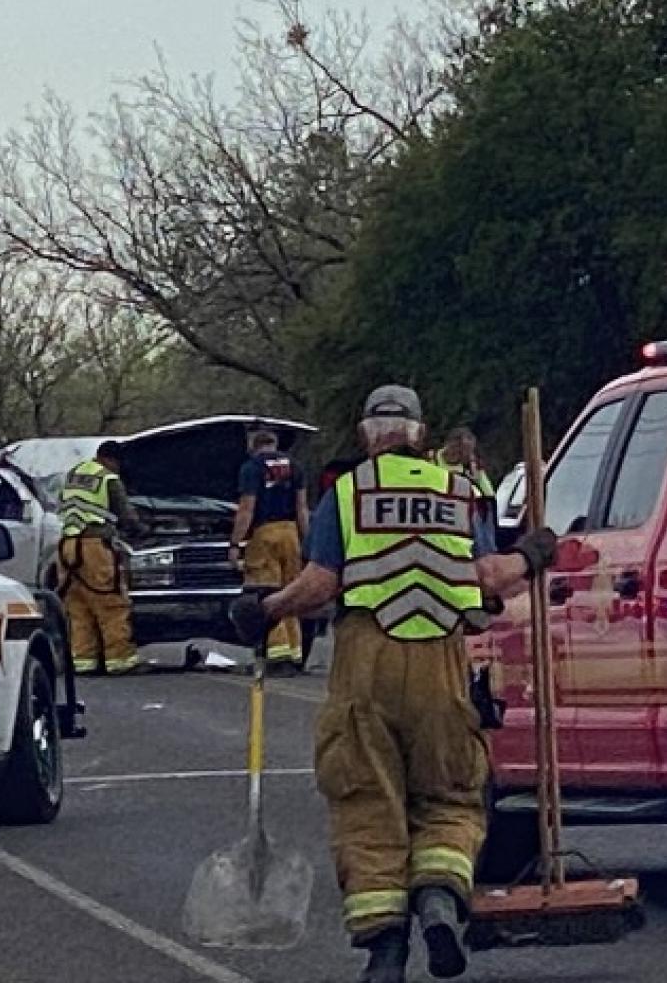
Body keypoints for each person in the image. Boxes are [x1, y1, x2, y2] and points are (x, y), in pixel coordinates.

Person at [230, 385, 557, 983]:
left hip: (366, 661)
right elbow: (486, 578)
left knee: (366, 802)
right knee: (450, 793)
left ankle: (385, 953)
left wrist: (267, 607)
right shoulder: (457, 492)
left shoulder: (348, 493)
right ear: (419, 433)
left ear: (365, 435)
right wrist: (534, 554)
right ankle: (438, 899)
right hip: (441, 663)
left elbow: (321, 583)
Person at [230, 427, 309, 670]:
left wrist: (235, 543)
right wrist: (307, 542)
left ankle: (276, 653)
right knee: (291, 592)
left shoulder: (252, 468)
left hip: (265, 535)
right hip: (291, 533)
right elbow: (302, 508)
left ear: (253, 444)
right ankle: (295, 652)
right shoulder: (295, 466)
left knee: (267, 594)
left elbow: (247, 509)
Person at [56, 442, 139, 675]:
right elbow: (125, 515)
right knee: (110, 604)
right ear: (112, 460)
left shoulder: (74, 473)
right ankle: (119, 660)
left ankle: (83, 661)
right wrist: (139, 528)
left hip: (67, 546)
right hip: (94, 547)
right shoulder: (108, 479)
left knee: (78, 606)